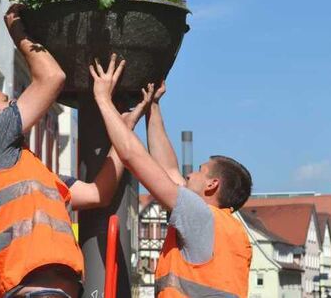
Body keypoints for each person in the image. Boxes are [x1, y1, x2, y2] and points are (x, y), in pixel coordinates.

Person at [0, 4, 153, 298]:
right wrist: (19, 32)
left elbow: (98, 193)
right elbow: (51, 78)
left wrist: (124, 129)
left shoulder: (38, 175)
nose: (16, 103)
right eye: (6, 101)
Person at [89, 56, 253, 298]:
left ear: (212, 184)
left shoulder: (200, 216)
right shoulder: (226, 228)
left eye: (199, 170)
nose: (189, 173)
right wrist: (153, 107)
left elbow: (133, 155)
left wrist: (103, 99)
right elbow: (168, 172)